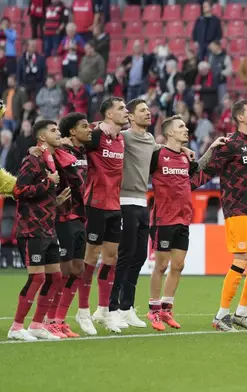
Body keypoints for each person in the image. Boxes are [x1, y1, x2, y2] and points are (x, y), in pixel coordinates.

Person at [147, 116, 226, 332]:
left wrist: (211, 148)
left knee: (178, 265)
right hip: (163, 218)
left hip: (184, 218)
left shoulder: (185, 158)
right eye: (181, 126)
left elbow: (198, 169)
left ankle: (166, 308)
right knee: (161, 265)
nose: (186, 129)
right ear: (169, 133)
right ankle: (153, 309)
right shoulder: (157, 155)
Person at [203, 100, 247, 332]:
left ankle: (242, 312)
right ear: (240, 117)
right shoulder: (228, 144)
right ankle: (221, 315)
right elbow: (206, 171)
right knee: (242, 259)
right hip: (237, 209)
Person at [7, 120, 67, 341]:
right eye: (53, 131)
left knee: (55, 277)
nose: (58, 133)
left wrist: (55, 200)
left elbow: (40, 196)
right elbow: (19, 191)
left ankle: (36, 325)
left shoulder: (49, 160)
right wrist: (47, 182)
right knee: (37, 278)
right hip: (31, 229)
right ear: (42, 138)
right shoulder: (32, 160)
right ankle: (16, 327)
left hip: (48, 228)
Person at [75, 97, 128, 335]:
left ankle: (104, 310)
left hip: (114, 205)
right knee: (91, 255)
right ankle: (83, 311)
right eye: (121, 109)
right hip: (95, 203)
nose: (126, 112)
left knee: (112, 256)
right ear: (108, 114)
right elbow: (73, 143)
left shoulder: (120, 140)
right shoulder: (95, 136)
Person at [108, 100, 157, 330]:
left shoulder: (150, 140)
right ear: (130, 116)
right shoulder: (123, 137)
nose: (148, 113)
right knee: (124, 257)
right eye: (142, 110)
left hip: (142, 202)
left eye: (148, 110)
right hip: (124, 201)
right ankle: (112, 307)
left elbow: (158, 153)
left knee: (139, 257)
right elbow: (103, 130)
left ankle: (127, 307)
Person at [45, 113, 91, 338]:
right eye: (84, 126)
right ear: (72, 132)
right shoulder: (59, 151)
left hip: (80, 217)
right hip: (62, 217)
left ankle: (60, 320)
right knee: (62, 271)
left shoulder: (86, 150)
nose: (90, 129)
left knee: (78, 270)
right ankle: (48, 319)